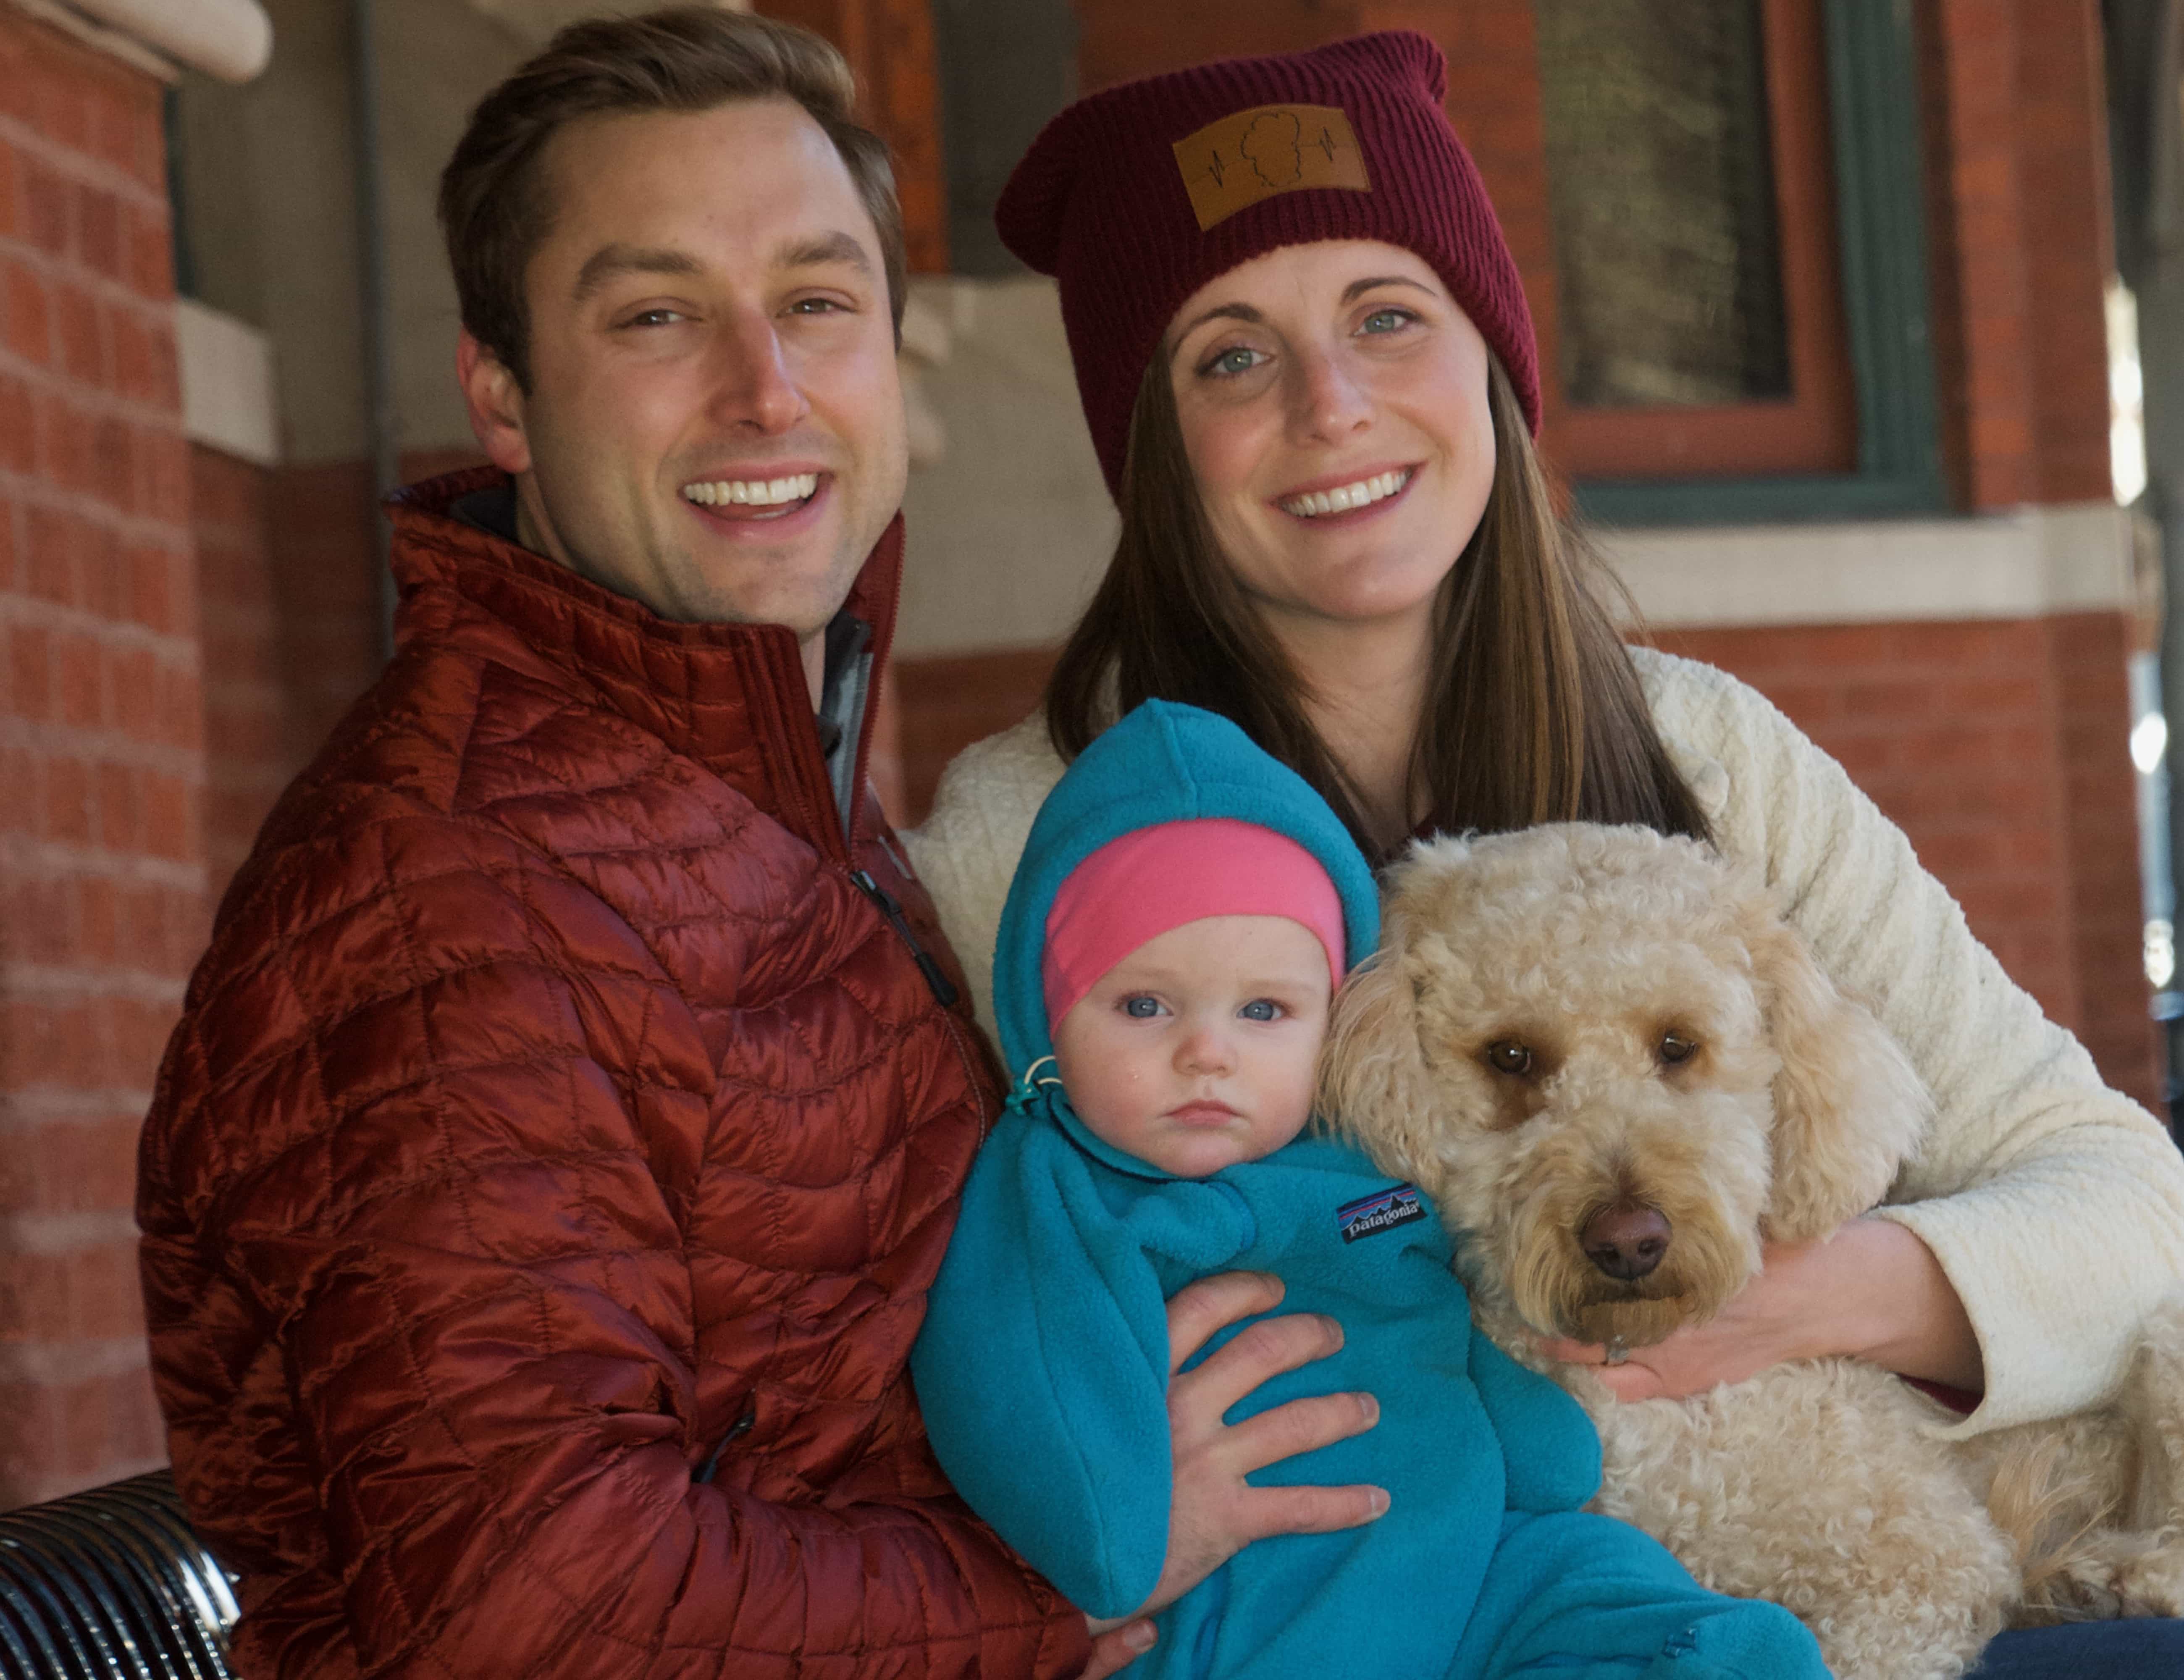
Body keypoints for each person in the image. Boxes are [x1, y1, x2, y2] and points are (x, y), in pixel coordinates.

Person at [902, 30, 2184, 1680]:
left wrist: (1817, 1287)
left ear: (1492, 364)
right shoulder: (1028, 837)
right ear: (1152, 444)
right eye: (1230, 358)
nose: (1332, 404)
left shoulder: (1709, 756)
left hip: (1825, 1594)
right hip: (1369, 1619)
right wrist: (1067, 1569)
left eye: (1392, 317)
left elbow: (2132, 1206)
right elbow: (925, 1319)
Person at [134, 13, 1381, 1677]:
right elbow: (532, 1603)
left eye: (816, 303)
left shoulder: (747, 791)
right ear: (501, 394)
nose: (764, 388)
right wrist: (1072, 1587)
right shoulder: (457, 891)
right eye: (658, 315)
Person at [910, 699, 1829, 1680]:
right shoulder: (1060, 1192)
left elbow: (1432, 1317)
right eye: (1144, 1003)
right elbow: (1015, 1380)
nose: (1207, 1054)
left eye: (1264, 1009)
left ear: (1329, 1024)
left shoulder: (1366, 1174)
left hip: (1478, 1545)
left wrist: (1539, 1442)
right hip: (1272, 1580)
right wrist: (1108, 1541)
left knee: (1645, 1601)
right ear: (1050, 1021)